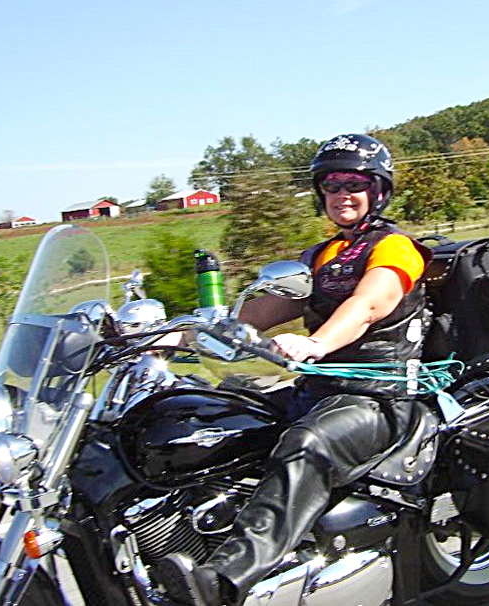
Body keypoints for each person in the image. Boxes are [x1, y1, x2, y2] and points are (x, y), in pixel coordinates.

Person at [158, 133, 432, 606]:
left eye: (355, 183)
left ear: (379, 190)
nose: (342, 194)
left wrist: (315, 342)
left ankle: (224, 582)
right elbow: (255, 315)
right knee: (214, 420)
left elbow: (368, 304)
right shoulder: (318, 257)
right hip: (320, 390)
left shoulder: (395, 247)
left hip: (380, 396)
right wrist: (167, 336)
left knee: (307, 444)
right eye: (331, 184)